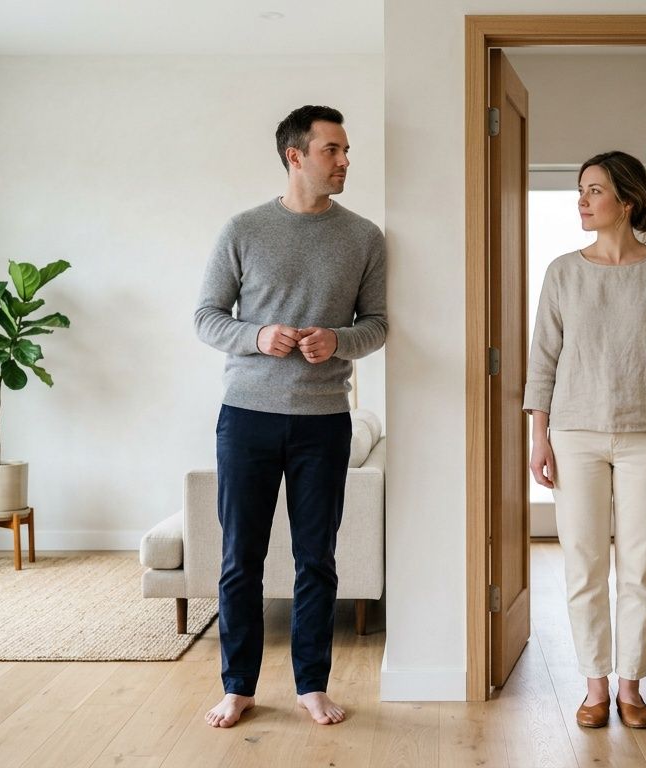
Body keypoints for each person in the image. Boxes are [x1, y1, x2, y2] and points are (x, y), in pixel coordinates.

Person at [193, 105, 387, 728]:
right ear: (295, 156)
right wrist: (258, 336)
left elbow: (377, 325)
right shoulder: (243, 229)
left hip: (324, 420)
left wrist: (337, 340)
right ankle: (238, 686)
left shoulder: (364, 237)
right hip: (246, 416)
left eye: (346, 150)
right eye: (333, 150)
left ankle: (311, 684)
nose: (345, 161)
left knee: (317, 559)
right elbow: (206, 317)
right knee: (239, 558)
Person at [523, 150, 646, 730]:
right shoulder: (562, 272)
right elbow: (542, 360)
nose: (582, 199)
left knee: (642, 564)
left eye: (594, 190)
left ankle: (631, 685)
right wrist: (539, 435)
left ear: (626, 200)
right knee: (583, 561)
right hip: (572, 435)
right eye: (580, 190)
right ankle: (594, 685)